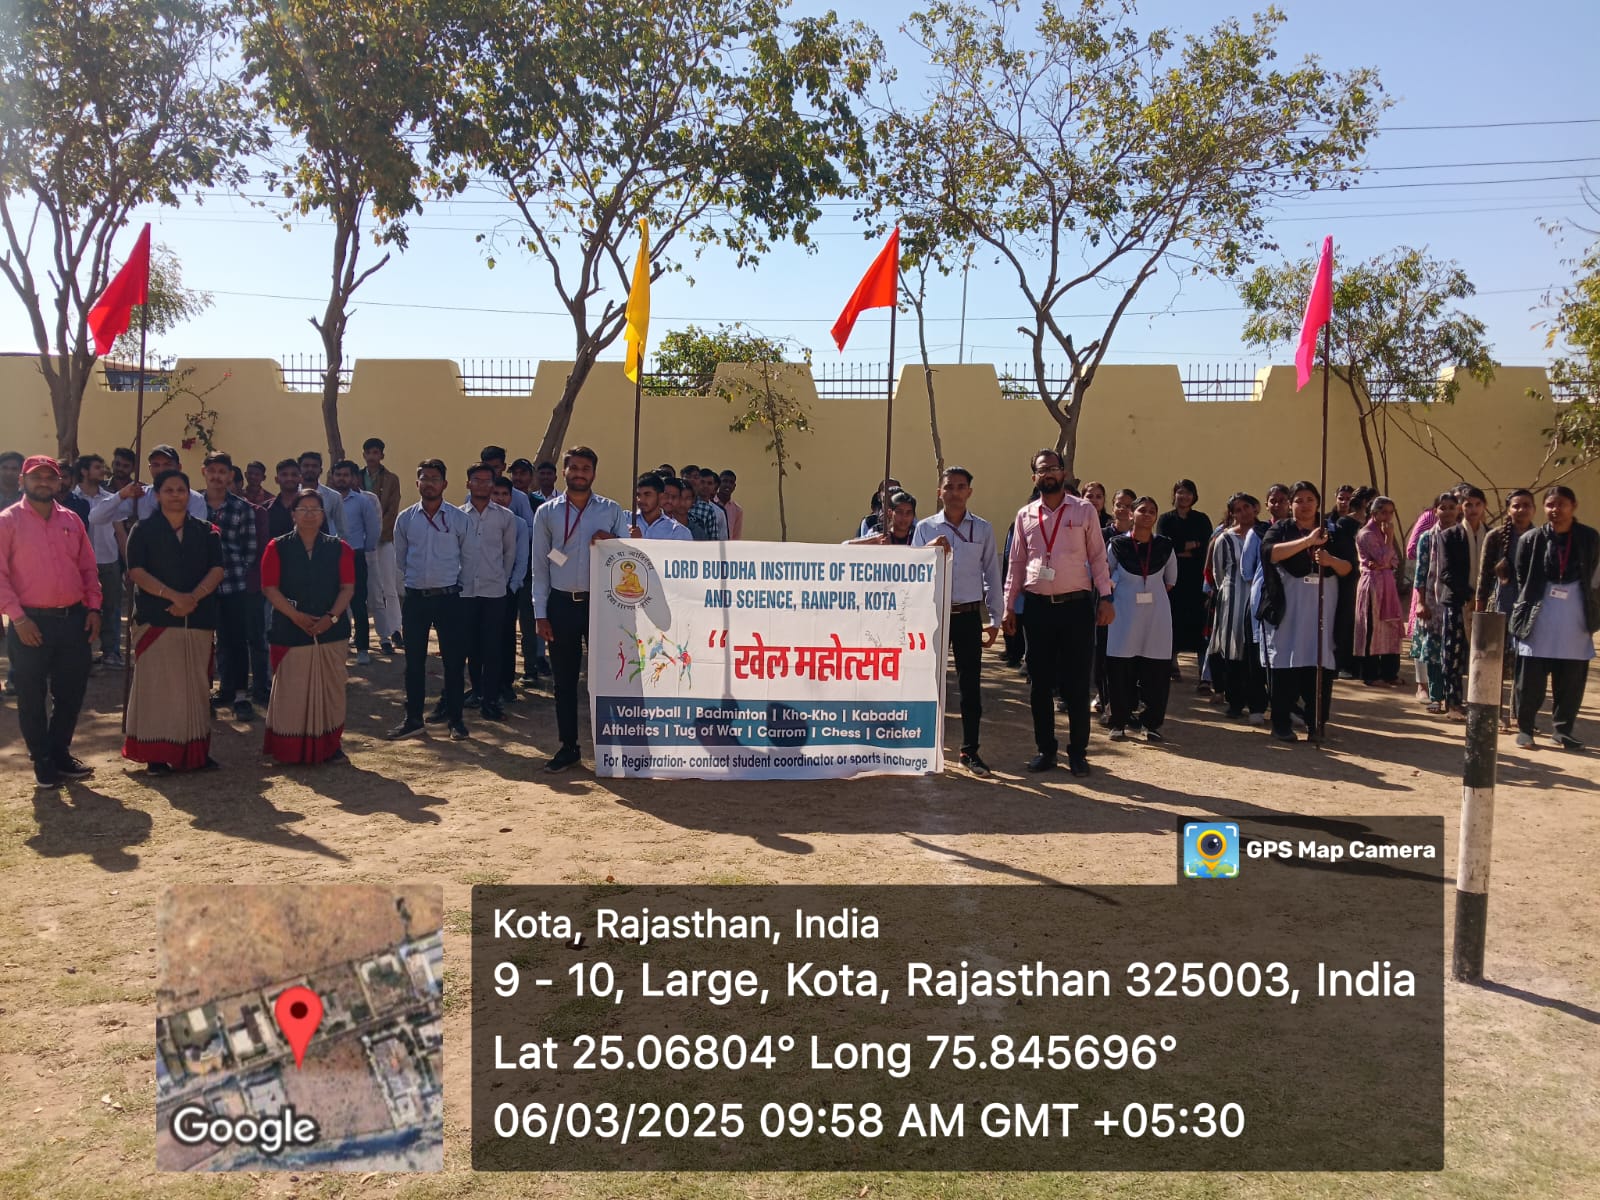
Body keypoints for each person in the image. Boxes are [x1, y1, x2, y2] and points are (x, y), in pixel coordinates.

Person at [1002, 449, 1114, 777]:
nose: (1048, 473)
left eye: (1054, 468)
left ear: (1063, 473)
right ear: (1034, 477)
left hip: (1077, 608)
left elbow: (1098, 557)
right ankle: (1045, 750)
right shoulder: (1024, 515)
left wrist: (1106, 597)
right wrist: (1009, 606)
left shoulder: (1084, 510)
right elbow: (1016, 563)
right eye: (1042, 469)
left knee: (1077, 684)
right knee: (1039, 684)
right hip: (1038, 609)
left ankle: (1078, 752)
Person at [0, 455, 101, 786]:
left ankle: (59, 752)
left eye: (50, 477)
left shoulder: (72, 519)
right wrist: (18, 619)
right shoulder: (7, 521)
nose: (43, 482)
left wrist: (94, 609)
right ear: (23, 481)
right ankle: (42, 760)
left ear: (60, 482)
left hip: (73, 620)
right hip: (29, 622)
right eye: (36, 477)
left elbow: (88, 568)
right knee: (31, 695)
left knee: (71, 692)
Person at [532, 445, 630, 772]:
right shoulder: (546, 513)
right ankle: (569, 746)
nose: (579, 473)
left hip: (601, 605)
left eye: (585, 468)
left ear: (594, 473)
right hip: (561, 605)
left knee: (608, 677)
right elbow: (540, 566)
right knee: (564, 680)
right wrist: (540, 614)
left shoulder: (611, 510)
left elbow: (628, 557)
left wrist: (611, 541)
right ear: (564, 471)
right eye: (573, 467)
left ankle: (615, 749)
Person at [122, 469, 225, 773]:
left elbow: (217, 569)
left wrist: (193, 597)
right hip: (156, 618)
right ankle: (156, 755)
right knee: (157, 687)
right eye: (169, 490)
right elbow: (136, 571)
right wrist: (174, 597)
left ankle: (194, 753)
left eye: (181, 490)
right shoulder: (142, 529)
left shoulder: (207, 531)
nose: (176, 495)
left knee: (195, 687)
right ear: (157, 495)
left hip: (198, 618)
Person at [914, 466, 1002, 776]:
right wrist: (929, 550)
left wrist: (995, 618)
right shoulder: (925, 528)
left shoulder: (983, 529)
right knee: (928, 683)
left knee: (970, 686)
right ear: (939, 492)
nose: (954, 492)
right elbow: (913, 568)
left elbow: (992, 575)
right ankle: (926, 747)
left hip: (968, 616)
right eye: (949, 487)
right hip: (934, 616)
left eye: (961, 486)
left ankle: (969, 751)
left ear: (969, 492)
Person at [261, 489, 356, 764]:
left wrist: (331, 617)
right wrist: (296, 616)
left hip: (332, 632)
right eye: (303, 509)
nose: (310, 514)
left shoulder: (340, 548)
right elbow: (269, 588)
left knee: (331, 691)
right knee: (291, 692)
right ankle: (289, 749)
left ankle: (330, 747)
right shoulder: (277, 547)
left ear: (323, 515)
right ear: (293, 514)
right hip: (289, 630)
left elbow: (347, 588)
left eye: (315, 509)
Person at [1259, 481, 1352, 743]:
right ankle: (1281, 723)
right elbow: (1270, 553)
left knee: (1318, 665)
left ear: (1318, 503)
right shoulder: (1281, 529)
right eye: (1299, 500)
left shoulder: (1334, 531)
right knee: (1285, 665)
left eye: (1310, 499)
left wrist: (1331, 560)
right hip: (1290, 607)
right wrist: (1308, 541)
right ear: (1290, 504)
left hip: (1323, 607)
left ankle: (1316, 723)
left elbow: (1348, 568)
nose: (1305, 505)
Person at [1510, 485, 1599, 750]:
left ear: (1574, 506)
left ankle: (1563, 731)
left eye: (1561, 504)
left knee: (1571, 681)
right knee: (1530, 680)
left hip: (1575, 618)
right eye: (1550, 504)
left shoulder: (1589, 538)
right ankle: (1525, 729)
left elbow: (1595, 576)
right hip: (1539, 616)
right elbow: (1522, 577)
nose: (1555, 510)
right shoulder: (1531, 539)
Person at [387, 459, 470, 741]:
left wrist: (456, 590)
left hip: (449, 599)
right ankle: (413, 719)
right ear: (417, 483)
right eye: (424, 478)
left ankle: (456, 720)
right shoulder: (406, 519)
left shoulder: (458, 519)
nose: (429, 483)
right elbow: (400, 558)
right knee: (414, 662)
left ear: (444, 484)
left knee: (454, 662)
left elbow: (468, 559)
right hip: (416, 600)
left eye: (435, 478)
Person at [1104, 497, 1179, 741]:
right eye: (1142, 510)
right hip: (1123, 613)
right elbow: (1105, 576)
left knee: (1155, 670)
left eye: (1152, 511)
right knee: (1120, 669)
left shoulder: (1165, 546)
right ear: (1131, 513)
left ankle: (1151, 723)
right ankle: (1118, 721)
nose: (1147, 515)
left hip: (1156, 615)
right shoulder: (1117, 545)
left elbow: (1170, 580)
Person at [200, 452, 260, 721]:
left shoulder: (242, 508)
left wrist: (233, 570)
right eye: (212, 471)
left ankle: (239, 695)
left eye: (222, 472)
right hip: (198, 586)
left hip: (233, 583)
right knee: (202, 641)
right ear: (204, 472)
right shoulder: (193, 503)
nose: (216, 476)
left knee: (235, 640)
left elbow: (249, 548)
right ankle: (204, 693)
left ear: (230, 476)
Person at [458, 461, 518, 722]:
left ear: (493, 484)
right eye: (477, 480)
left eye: (487, 481)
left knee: (493, 647)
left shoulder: (506, 517)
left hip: (494, 591)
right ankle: (476, 691)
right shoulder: (458, 515)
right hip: (465, 591)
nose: (482, 485)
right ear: (468, 483)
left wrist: (501, 579)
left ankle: (491, 700)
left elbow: (509, 553)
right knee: (471, 646)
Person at [1206, 493, 1267, 722]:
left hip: (1258, 597)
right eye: (1237, 510)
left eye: (1246, 507)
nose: (1243, 513)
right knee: (1232, 650)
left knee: (1254, 652)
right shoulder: (1225, 539)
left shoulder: (1265, 533)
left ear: (1255, 508)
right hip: (1232, 598)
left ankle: (1258, 703)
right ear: (1232, 514)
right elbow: (1218, 572)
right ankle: (1234, 701)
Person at [1437, 485, 1490, 717]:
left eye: (1478, 504)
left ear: (1484, 507)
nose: (1473, 509)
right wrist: (1469, 595)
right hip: (1458, 601)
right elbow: (1446, 572)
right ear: (1461, 507)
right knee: (1453, 654)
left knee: (1485, 655)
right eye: (1469, 505)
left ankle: (1482, 702)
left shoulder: (1493, 536)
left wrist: (1484, 597)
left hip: (1486, 604)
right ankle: (1453, 702)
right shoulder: (1449, 535)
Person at [1157, 479, 1211, 680]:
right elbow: (1165, 546)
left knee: (1198, 622)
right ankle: (1172, 664)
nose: (1184, 496)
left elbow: (1206, 546)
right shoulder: (1165, 520)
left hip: (1196, 578)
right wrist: (1191, 545)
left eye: (1188, 492)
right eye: (1180, 492)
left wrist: (1181, 547)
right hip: (1173, 579)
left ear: (1194, 496)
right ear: (1174, 495)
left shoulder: (1202, 519)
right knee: (1173, 620)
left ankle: (1203, 673)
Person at [72, 454, 124, 667]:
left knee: (111, 608)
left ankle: (111, 652)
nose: (102, 471)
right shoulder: (72, 499)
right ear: (84, 471)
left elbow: (120, 532)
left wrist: (128, 562)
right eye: (97, 467)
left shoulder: (110, 499)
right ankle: (81, 653)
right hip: (80, 564)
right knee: (81, 610)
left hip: (108, 560)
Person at [1412, 492, 1461, 714]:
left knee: (1454, 651)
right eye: (1443, 507)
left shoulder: (1462, 535)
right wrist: (1421, 602)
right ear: (1435, 511)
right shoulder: (1427, 538)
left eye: (1452, 507)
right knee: (1432, 650)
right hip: (1432, 600)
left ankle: (1454, 699)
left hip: (1456, 600)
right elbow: (1420, 573)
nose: (1448, 512)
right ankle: (1436, 696)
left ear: (1458, 510)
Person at [330, 460, 380, 665]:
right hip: (329, 557)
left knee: (358, 603)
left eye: (346, 475)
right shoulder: (326, 499)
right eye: (338, 475)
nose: (342, 478)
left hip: (354, 556)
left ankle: (362, 648)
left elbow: (373, 529)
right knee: (332, 603)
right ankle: (336, 645)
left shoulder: (362, 501)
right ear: (332, 477)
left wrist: (363, 549)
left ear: (353, 478)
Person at [91, 443, 208, 529]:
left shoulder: (194, 499)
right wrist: (122, 494)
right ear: (149, 468)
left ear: (179, 467)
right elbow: (96, 517)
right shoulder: (142, 496)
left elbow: (195, 535)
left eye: (167, 464)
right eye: (156, 465)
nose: (161, 470)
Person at [1355, 496, 1406, 688]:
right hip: (1373, 586)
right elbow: (1384, 559)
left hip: (1387, 584)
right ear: (1374, 513)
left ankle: (1389, 672)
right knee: (1372, 628)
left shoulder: (1383, 532)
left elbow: (1394, 561)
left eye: (1391, 512)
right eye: (1384, 512)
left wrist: (1384, 561)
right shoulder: (1366, 534)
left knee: (1390, 627)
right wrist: (1389, 539)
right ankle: (1370, 674)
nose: (1388, 517)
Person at [491, 476, 532, 709]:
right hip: (484, 589)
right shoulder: (478, 520)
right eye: (496, 494)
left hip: (507, 590)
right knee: (484, 638)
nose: (500, 498)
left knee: (506, 637)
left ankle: (506, 683)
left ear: (511, 497)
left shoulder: (519, 524)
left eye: (504, 494)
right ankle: (485, 684)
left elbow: (521, 558)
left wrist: (513, 585)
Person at [361, 437, 404, 654]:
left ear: (382, 455)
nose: (372, 456)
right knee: (368, 589)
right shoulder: (356, 477)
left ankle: (396, 629)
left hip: (384, 539)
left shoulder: (391, 479)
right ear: (364, 455)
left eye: (376, 452)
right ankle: (380, 634)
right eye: (369, 452)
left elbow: (392, 510)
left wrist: (377, 534)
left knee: (390, 587)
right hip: (360, 543)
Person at [1331, 486, 1371, 679]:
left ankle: (1363, 665)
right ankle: (1344, 663)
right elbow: (1345, 551)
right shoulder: (1345, 523)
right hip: (1350, 577)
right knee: (1347, 620)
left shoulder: (1373, 523)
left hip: (1370, 579)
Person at [297, 451, 349, 542]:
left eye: (314, 466)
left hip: (324, 546)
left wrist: (335, 547)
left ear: (321, 470)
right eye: (306, 466)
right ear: (299, 469)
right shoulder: (293, 495)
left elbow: (342, 530)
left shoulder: (333, 496)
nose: (310, 469)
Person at [630, 474, 693, 540]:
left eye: (647, 495)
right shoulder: (625, 520)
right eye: (638, 495)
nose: (640, 500)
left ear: (661, 496)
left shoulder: (679, 532)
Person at [850, 491, 916, 545]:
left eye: (909, 512)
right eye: (899, 512)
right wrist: (875, 540)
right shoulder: (878, 532)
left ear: (913, 515)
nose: (904, 516)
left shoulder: (918, 534)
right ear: (890, 513)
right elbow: (846, 545)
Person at [684, 469, 729, 541]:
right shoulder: (681, 505)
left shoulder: (718, 512)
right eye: (702, 482)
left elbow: (720, 539)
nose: (705, 486)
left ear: (714, 487)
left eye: (709, 483)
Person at [717, 470, 743, 539]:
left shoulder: (737, 510)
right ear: (718, 483)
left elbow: (736, 536)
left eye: (731, 482)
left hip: (728, 545)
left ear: (734, 486)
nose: (728, 485)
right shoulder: (710, 503)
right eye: (725, 481)